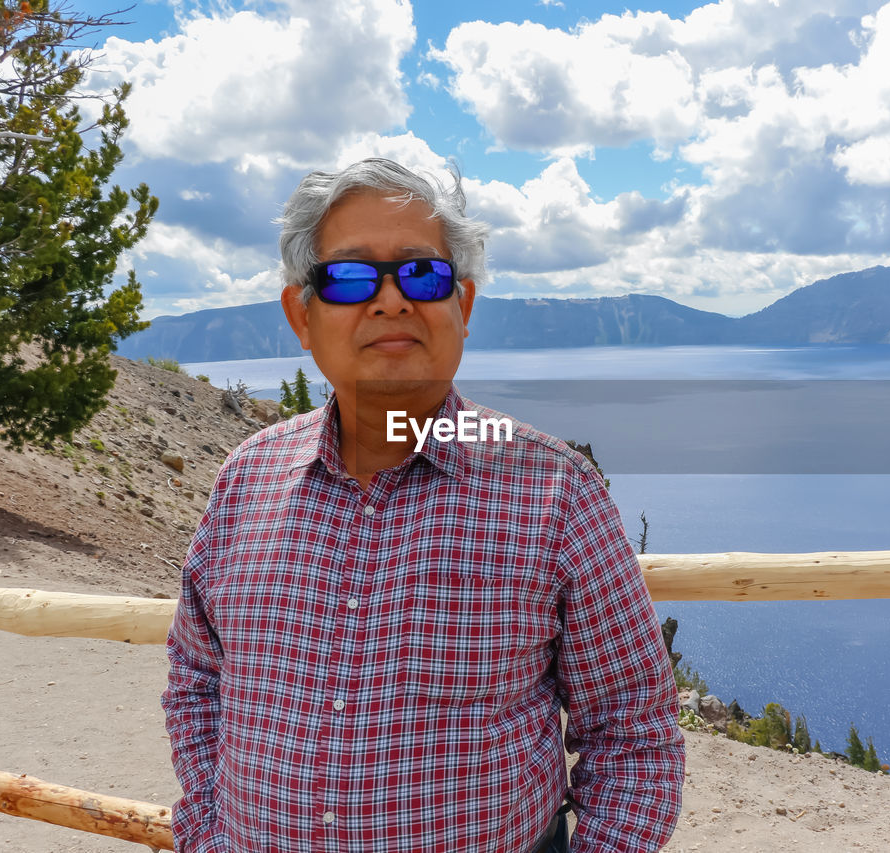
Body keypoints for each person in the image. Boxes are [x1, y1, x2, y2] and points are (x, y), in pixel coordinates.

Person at [162, 158, 684, 853]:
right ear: (302, 317)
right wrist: (206, 834)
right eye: (348, 277)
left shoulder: (554, 492)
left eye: (421, 273)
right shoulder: (245, 479)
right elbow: (198, 683)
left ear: (462, 307)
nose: (389, 301)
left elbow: (634, 736)